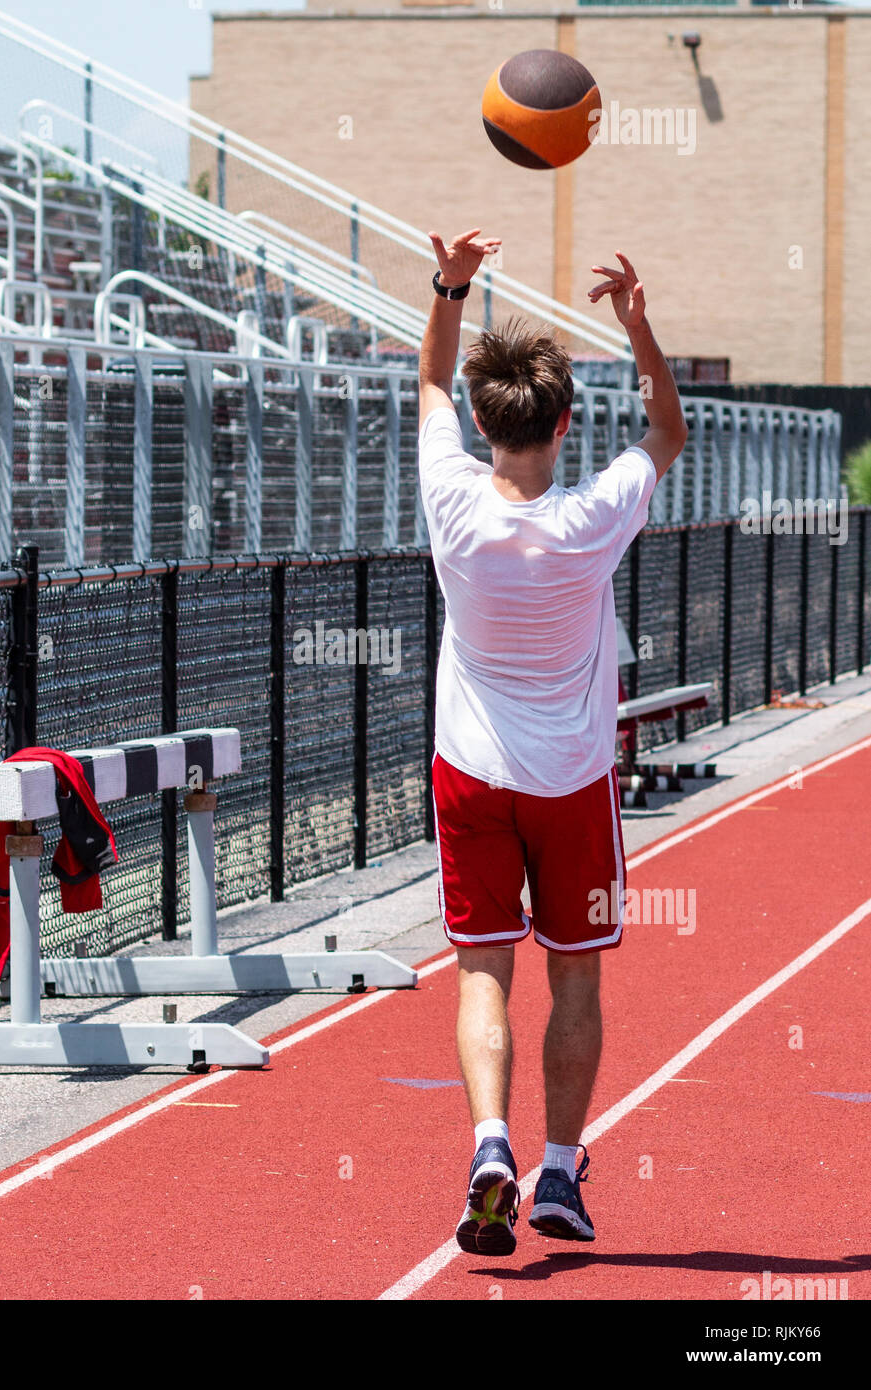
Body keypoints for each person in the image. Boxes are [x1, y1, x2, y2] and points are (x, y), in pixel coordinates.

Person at [418, 229, 687, 1253]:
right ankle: (560, 1173)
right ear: (564, 424)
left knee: (482, 971)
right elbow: (665, 428)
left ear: (485, 424)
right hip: (571, 782)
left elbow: (431, 376)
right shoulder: (591, 516)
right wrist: (635, 322)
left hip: (470, 774)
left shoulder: (449, 500)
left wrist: (452, 285)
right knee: (574, 975)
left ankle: (490, 1143)